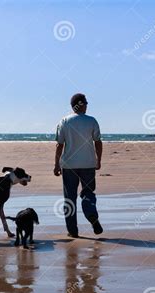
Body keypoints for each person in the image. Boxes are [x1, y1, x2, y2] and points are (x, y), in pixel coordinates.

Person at [53, 93, 103, 238]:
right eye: (85, 103)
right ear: (80, 104)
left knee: (70, 198)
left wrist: (56, 164)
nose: (87, 106)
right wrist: (98, 160)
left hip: (69, 166)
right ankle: (91, 214)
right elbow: (98, 142)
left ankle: (73, 231)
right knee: (88, 193)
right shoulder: (92, 121)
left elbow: (59, 145)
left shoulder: (64, 121)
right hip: (88, 164)